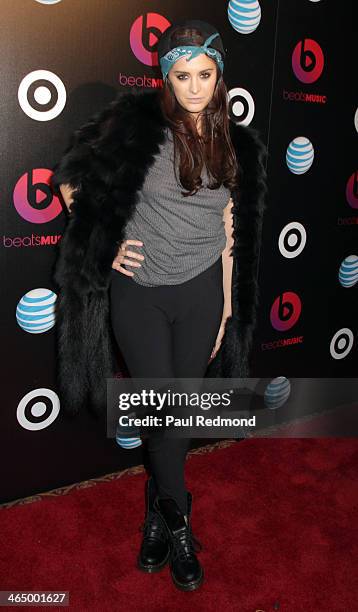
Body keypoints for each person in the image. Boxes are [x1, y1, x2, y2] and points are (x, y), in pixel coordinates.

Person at [51, 19, 267, 593]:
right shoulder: (136, 127)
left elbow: (227, 226)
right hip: (141, 292)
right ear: (164, 78)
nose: (193, 86)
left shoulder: (234, 142)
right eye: (181, 75)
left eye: (203, 74)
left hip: (201, 293)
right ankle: (179, 523)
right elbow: (69, 183)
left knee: (175, 416)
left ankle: (155, 513)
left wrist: (223, 307)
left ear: (218, 76)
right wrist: (108, 238)